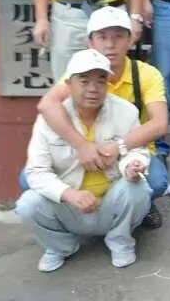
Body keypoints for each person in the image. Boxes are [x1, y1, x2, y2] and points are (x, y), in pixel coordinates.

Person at [16, 49, 152, 272]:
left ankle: (120, 240)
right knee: (28, 204)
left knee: (138, 188)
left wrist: (132, 165)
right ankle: (60, 246)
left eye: (100, 81)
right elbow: (36, 171)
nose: (93, 88)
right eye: (84, 81)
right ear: (68, 84)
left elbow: (137, 150)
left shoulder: (125, 111)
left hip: (111, 202)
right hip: (69, 206)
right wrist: (70, 194)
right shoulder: (50, 118)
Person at [35, 6, 168, 228]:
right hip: (82, 152)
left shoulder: (147, 74)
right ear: (90, 42)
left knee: (156, 181)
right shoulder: (78, 72)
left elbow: (160, 123)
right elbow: (47, 105)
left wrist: (118, 147)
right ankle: (70, 217)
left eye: (118, 36)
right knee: (29, 178)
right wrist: (81, 145)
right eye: (102, 37)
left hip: (130, 150)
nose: (110, 44)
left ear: (130, 39)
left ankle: (141, 204)